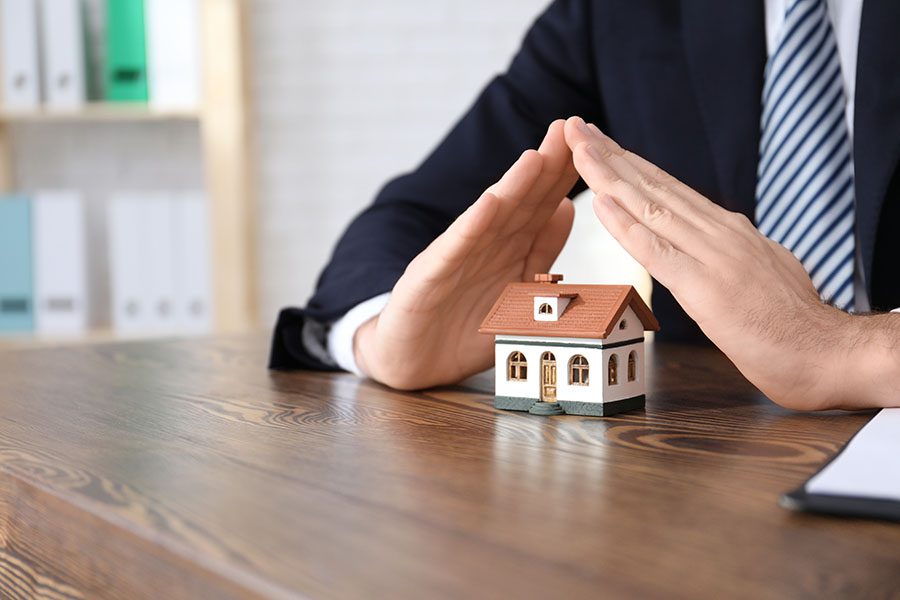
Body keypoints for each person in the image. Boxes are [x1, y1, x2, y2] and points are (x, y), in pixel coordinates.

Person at [270, 0, 900, 410]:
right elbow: (413, 216)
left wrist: (845, 348)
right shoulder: (616, 15)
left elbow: (828, 345)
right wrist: (386, 336)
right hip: (707, 468)